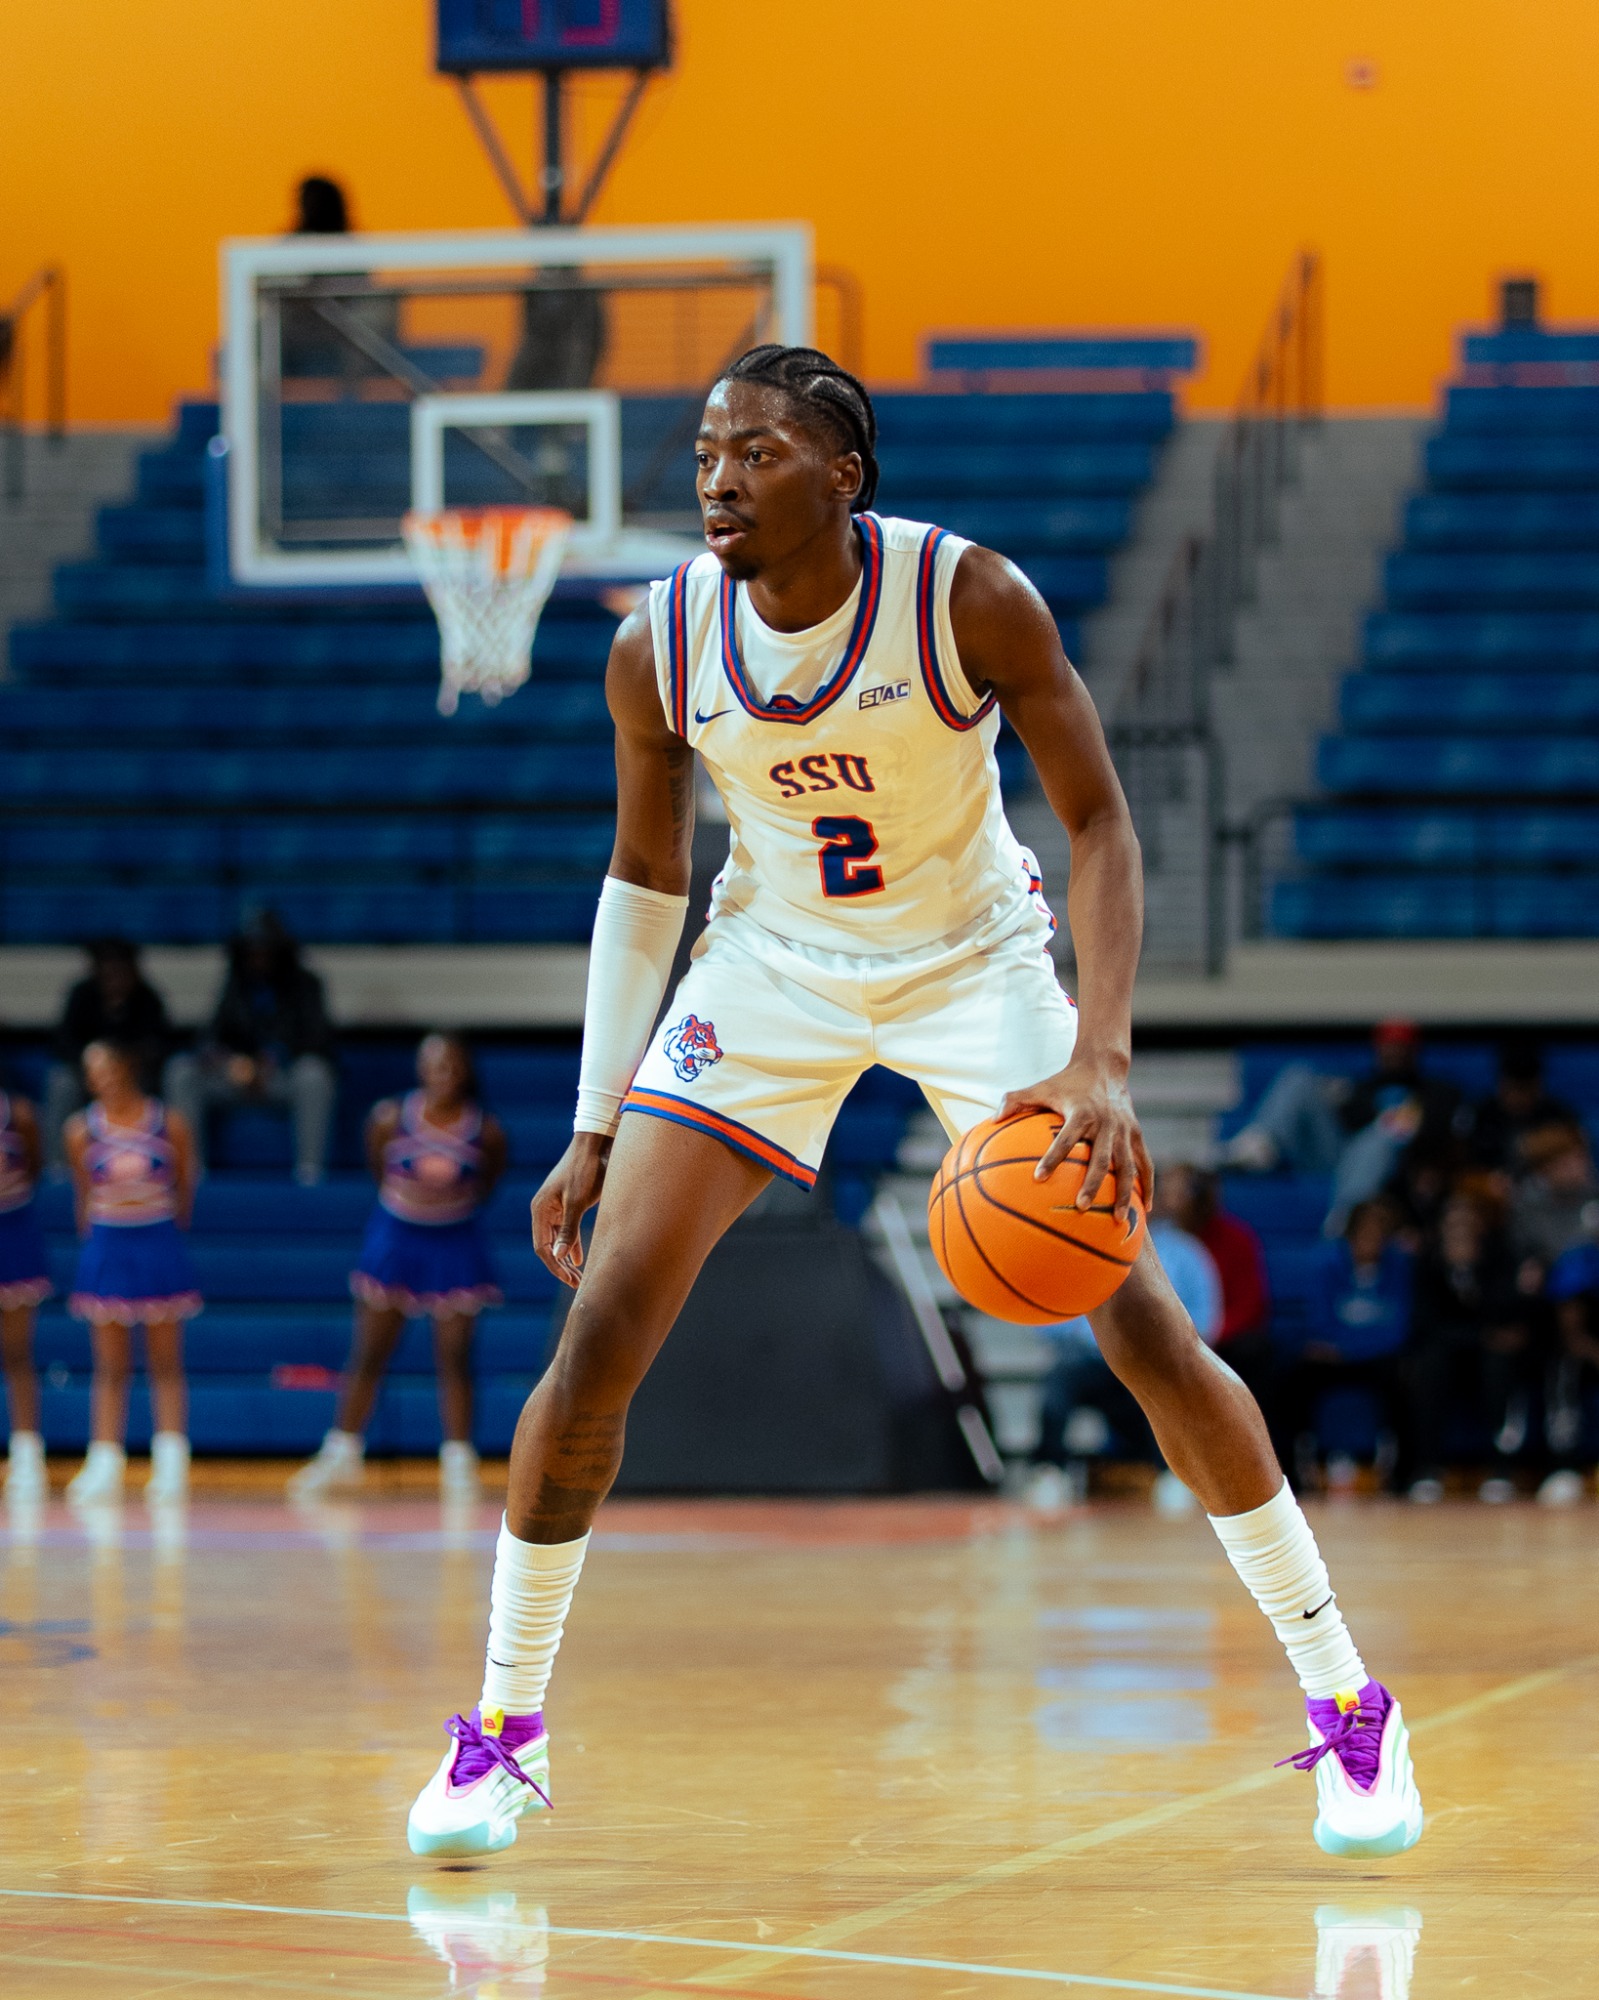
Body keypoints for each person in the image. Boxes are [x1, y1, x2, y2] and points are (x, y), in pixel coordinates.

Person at [404, 344, 1422, 1863]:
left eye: (754, 452)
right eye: (703, 453)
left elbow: (1098, 823)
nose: (717, 479)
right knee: (602, 1329)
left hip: (973, 962)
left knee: (1138, 1321)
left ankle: (1349, 1706)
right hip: (766, 970)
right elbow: (645, 881)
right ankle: (500, 1732)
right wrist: (592, 1118)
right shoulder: (657, 645)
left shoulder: (967, 599)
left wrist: (1102, 1058)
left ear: (841, 475)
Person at [289, 1035, 507, 1502]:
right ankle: (342, 1454)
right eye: (433, 1063)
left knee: (454, 1357)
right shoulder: (389, 1119)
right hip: (397, 1236)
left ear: (465, 1070)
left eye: (451, 1064)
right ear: (420, 1068)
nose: (442, 1072)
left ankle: (458, 1464)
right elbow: (377, 1168)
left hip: (455, 1241)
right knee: (370, 1352)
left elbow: (489, 1181)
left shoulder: (485, 1130)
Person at [1028, 1166, 1222, 1513]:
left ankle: (1173, 1476)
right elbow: (1050, 1313)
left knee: (1167, 1390)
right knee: (1059, 1382)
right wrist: (1079, 1334)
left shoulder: (1187, 1254)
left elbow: (1206, 1321)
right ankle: (1049, 1470)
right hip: (1094, 1360)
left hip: (1152, 1361)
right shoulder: (1085, 1242)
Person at [63, 1040, 200, 1505]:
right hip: (107, 1244)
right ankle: (104, 1462)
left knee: (164, 1360)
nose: (99, 1078)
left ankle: (171, 1461)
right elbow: (83, 1195)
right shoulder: (81, 1129)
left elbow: (186, 1184)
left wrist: (159, 1226)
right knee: (110, 1365)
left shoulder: (168, 1124)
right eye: (91, 1071)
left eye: (106, 1067)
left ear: (127, 1066)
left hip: (157, 1241)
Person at [1225, 1022, 1465, 1234]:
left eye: (1400, 1045)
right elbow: (1342, 1124)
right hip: (1337, 1157)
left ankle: (1345, 1218)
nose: (1394, 1051)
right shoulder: (1361, 1086)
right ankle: (1259, 1144)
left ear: (1414, 1049)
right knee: (1298, 1076)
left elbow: (1438, 1136)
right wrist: (1336, 1096)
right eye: (1388, 1044)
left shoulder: (1434, 1093)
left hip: (1391, 1171)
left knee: (1384, 1133)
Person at [164, 910, 336, 1184]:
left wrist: (272, 1060)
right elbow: (210, 1038)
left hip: (281, 1078)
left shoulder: (306, 984)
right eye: (253, 950)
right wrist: (230, 1062)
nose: (259, 957)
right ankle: (190, 1171)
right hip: (236, 1078)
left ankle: (309, 1173)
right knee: (181, 1071)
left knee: (314, 1074)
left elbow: (317, 1041)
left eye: (266, 949)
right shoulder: (236, 984)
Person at [1273, 1201, 1415, 1496]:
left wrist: (1351, 1347)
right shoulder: (1328, 1266)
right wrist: (1353, 1345)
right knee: (1292, 1377)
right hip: (1333, 1357)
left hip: (1373, 1358)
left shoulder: (1398, 1267)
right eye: (1365, 1234)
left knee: (1408, 1378)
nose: (1371, 1242)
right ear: (1351, 1235)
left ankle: (1399, 1471)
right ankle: (1293, 1468)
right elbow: (1320, 1320)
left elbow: (1398, 1328)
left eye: (1378, 1235)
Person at [1406, 1191, 1529, 1504]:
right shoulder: (1430, 1259)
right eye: (1453, 1222)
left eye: (1467, 1221)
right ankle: (1428, 1469)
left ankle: (1501, 1468)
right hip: (1449, 1346)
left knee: (1499, 1366)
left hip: (1487, 1350)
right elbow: (1425, 1319)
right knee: (1429, 1367)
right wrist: (1453, 1277)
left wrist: (1470, 1279)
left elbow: (1506, 1312)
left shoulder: (1499, 1254)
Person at [44, 938, 174, 1173]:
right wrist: (92, 1065)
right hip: (87, 1076)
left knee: (176, 1073)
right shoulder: (81, 995)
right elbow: (64, 1043)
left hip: (135, 1080)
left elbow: (158, 1047)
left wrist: (123, 1064)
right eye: (108, 969)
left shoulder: (148, 999)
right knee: (61, 1082)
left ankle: (151, 1164)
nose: (115, 976)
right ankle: (57, 1167)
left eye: (121, 970)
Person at [0, 1081, 53, 1499]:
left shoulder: (18, 1114)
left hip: (13, 1234)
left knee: (18, 1352)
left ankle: (27, 1453)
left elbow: (34, 1166)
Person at [1539, 1234, 1599, 1506]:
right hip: (1585, 1349)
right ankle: (1563, 1467)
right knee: (1565, 1369)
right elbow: (1571, 1332)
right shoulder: (1581, 1258)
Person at [1468, 1038, 1574, 1182]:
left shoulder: (1557, 1115)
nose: (1521, 1098)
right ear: (1502, 1086)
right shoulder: (1482, 1115)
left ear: (1538, 1087)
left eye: (1527, 1090)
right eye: (1515, 1089)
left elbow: (1577, 1160)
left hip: (1546, 1195)